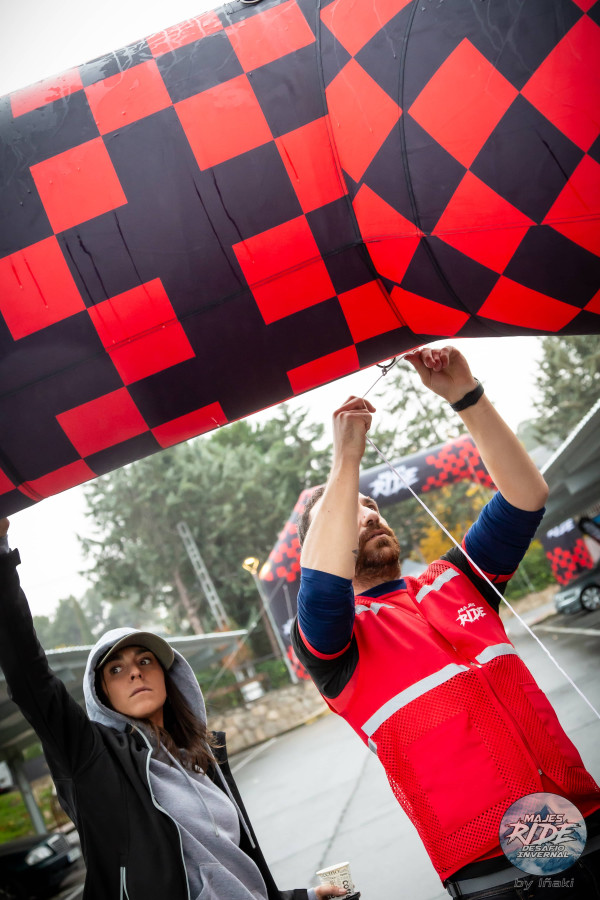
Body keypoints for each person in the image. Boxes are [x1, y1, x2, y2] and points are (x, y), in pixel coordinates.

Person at [291, 346, 600, 900]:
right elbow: (319, 584)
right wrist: (346, 461)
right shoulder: (333, 642)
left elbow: (526, 496)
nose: (368, 513)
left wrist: (466, 395)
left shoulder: (453, 580)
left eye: (371, 505)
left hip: (589, 822)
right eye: (349, 510)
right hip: (494, 875)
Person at [0, 519, 344, 900]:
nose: (134, 672)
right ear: (102, 694)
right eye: (116, 670)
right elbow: (31, 678)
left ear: (167, 676)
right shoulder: (93, 760)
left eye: (145, 660)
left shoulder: (203, 759)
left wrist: (305, 897)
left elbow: (239, 874)